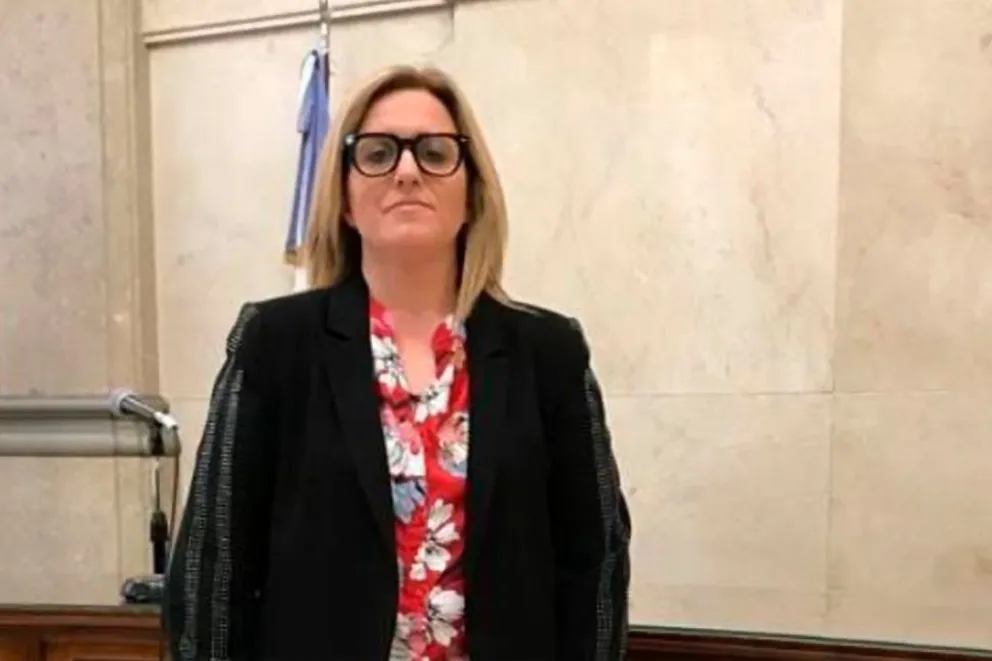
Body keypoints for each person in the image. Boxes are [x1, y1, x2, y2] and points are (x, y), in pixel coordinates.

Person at [163, 64, 631, 661]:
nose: (407, 171)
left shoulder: (549, 353)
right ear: (344, 200)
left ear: (472, 195)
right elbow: (213, 567)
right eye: (378, 154)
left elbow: (595, 564)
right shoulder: (276, 343)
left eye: (435, 153)